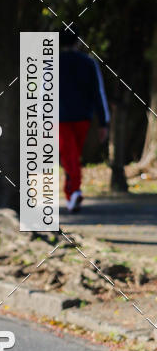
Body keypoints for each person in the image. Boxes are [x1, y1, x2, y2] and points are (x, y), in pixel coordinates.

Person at [59, 27, 110, 212]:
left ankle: (72, 192)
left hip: (60, 117)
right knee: (72, 155)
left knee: (69, 155)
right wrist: (103, 122)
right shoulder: (89, 63)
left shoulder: (50, 63)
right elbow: (99, 93)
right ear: (78, 42)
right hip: (82, 117)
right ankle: (74, 192)